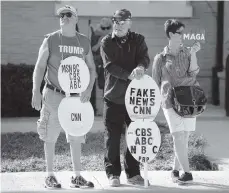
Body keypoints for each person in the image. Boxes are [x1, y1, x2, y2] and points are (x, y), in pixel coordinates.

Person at [31, 5, 96, 189]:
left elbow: (91, 68)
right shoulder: (51, 39)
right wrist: (36, 90)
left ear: (76, 19)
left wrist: (89, 88)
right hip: (53, 94)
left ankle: (77, 177)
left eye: (68, 15)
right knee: (50, 135)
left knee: (76, 135)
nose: (64, 17)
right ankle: (49, 175)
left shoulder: (83, 41)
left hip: (76, 97)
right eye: (61, 15)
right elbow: (40, 66)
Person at [100, 9, 150, 187]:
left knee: (134, 136)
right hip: (113, 97)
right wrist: (129, 75)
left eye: (122, 22)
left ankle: (133, 173)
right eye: (115, 21)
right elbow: (110, 66)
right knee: (112, 138)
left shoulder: (138, 39)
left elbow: (144, 58)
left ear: (130, 23)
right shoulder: (106, 42)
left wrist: (141, 67)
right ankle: (113, 174)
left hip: (135, 98)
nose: (118, 24)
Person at [152, 19, 201, 184]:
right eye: (180, 32)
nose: (182, 36)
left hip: (189, 99)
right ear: (171, 34)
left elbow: (193, 73)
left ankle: (175, 170)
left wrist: (194, 54)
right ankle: (187, 173)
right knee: (177, 136)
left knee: (184, 137)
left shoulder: (187, 52)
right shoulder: (160, 58)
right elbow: (155, 82)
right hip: (170, 101)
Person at [90, 17, 113, 115]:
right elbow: (93, 49)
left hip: (110, 65)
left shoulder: (114, 36)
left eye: (108, 28)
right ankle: (94, 109)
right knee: (98, 86)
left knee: (109, 88)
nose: (106, 30)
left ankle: (108, 110)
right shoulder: (96, 35)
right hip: (99, 64)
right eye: (103, 28)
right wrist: (100, 42)